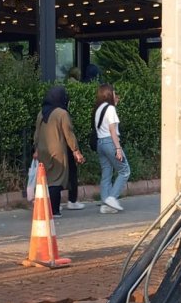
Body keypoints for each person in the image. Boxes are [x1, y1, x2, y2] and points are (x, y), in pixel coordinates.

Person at [33, 85, 85, 217]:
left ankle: (46, 207)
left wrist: (36, 149)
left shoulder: (42, 113)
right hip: (57, 151)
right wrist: (76, 151)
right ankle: (54, 210)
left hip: (43, 150)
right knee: (57, 180)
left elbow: (37, 134)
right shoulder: (62, 113)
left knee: (47, 179)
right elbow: (68, 133)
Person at [93, 83, 130, 214]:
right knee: (125, 171)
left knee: (106, 173)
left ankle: (105, 203)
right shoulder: (110, 109)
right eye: (113, 92)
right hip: (110, 142)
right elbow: (112, 130)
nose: (115, 94)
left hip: (101, 143)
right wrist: (118, 148)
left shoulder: (99, 108)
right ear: (109, 94)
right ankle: (112, 198)